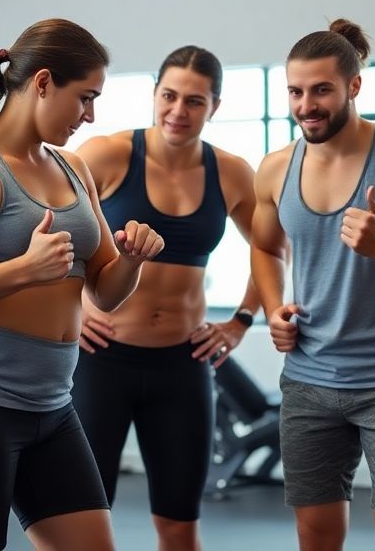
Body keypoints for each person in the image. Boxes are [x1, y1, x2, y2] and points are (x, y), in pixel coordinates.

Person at [0, 18, 165, 551]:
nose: (90, 115)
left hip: (51, 401)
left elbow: (105, 292)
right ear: (43, 82)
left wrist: (134, 260)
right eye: (85, 98)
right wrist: (23, 269)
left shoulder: (73, 167)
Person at [250, 19, 375, 551]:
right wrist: (274, 309)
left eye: (321, 90)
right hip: (309, 379)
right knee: (315, 533)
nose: (306, 104)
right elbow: (265, 247)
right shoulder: (274, 170)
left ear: (353, 86)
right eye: (295, 91)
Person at [72, 46, 262, 551]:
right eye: (169, 96)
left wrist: (241, 320)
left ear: (214, 107)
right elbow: (41, 230)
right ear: (154, 94)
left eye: (194, 101)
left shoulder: (232, 172)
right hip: (100, 360)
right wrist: (70, 312)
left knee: (179, 525)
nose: (178, 111)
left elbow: (271, 249)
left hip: (182, 366)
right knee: (82, 518)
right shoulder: (106, 154)